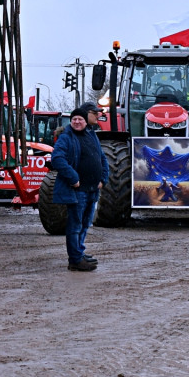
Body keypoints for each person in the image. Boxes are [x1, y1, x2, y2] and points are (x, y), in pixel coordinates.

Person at [51, 108, 110, 270]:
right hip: (78, 190)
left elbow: (102, 158)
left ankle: (79, 252)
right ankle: (75, 260)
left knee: (85, 224)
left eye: (80, 119)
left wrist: (103, 179)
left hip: (93, 189)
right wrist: (73, 178)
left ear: (85, 121)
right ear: (71, 121)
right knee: (75, 225)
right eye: (74, 119)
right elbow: (57, 158)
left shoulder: (92, 135)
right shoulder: (66, 137)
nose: (77, 122)